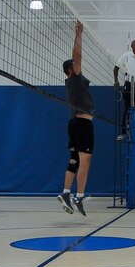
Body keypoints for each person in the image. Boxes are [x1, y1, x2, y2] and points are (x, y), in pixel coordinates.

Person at [57, 21, 94, 217]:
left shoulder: (74, 83)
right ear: (71, 69)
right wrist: (79, 34)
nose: (78, 66)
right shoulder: (74, 78)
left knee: (74, 160)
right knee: (85, 161)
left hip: (75, 124)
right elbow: (77, 56)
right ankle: (78, 196)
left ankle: (65, 193)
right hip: (82, 123)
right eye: (75, 66)